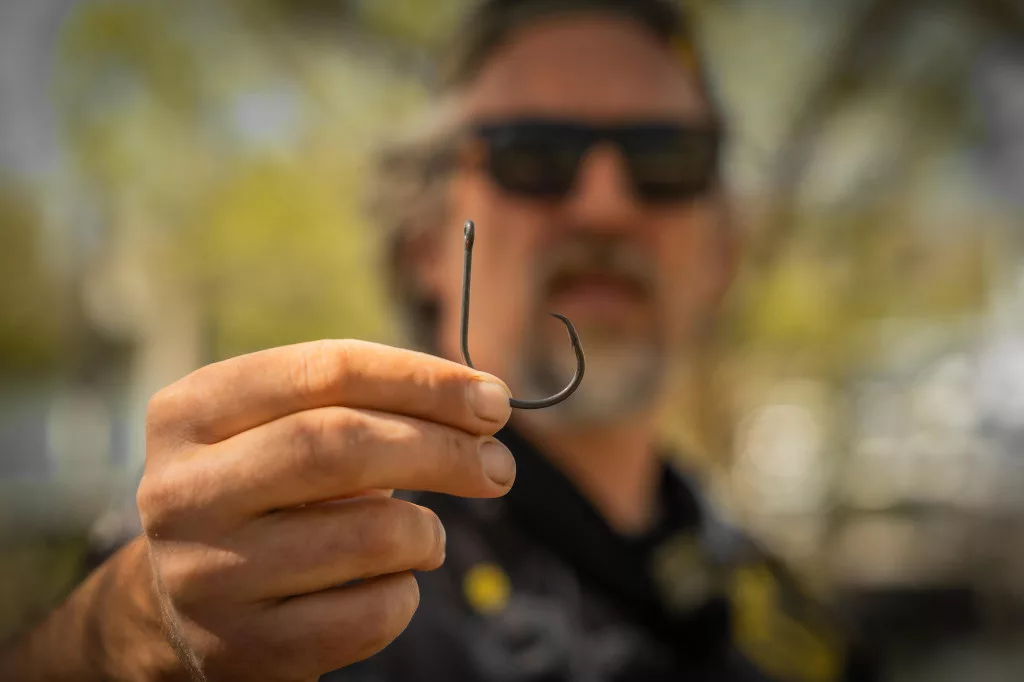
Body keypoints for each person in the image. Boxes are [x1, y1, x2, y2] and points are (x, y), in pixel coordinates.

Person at [0, 1, 879, 680]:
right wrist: (122, 634)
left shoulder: (787, 623)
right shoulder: (294, 553)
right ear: (426, 241)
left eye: (663, 161)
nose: (606, 205)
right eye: (534, 154)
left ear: (722, 252)